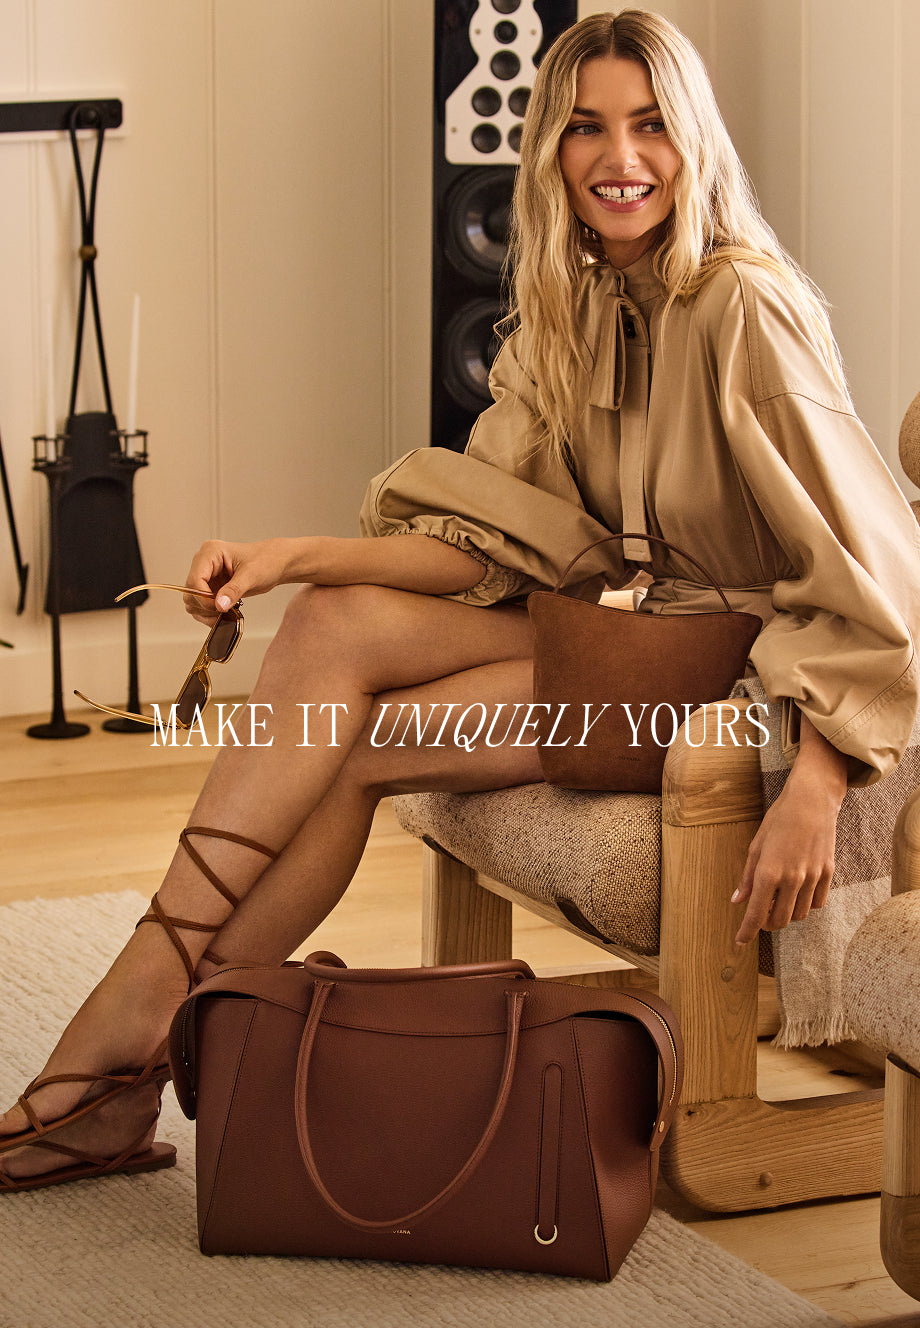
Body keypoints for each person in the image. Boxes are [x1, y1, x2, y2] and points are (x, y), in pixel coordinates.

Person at [2, 8, 918, 1190]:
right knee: (331, 623)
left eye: (648, 124)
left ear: (692, 140)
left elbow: (882, 562)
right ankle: (139, 1026)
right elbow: (496, 534)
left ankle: (127, 1035)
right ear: (547, 149)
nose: (617, 157)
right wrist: (293, 556)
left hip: (736, 680)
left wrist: (815, 773)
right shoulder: (571, 300)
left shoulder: (742, 306)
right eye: (584, 127)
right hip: (623, 641)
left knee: (375, 745)